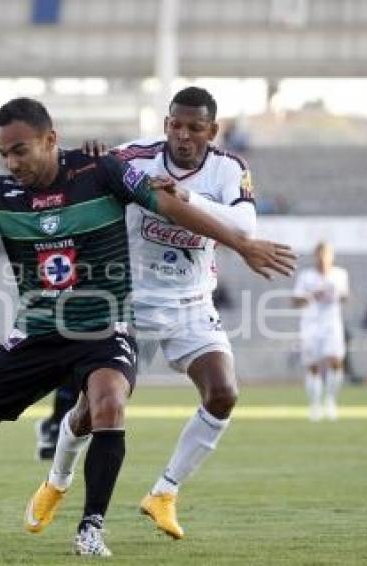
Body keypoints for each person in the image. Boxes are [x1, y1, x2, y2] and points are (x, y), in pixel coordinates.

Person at [0, 97, 294, 554]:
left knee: (110, 400)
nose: (12, 162)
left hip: (104, 325)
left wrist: (240, 244)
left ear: (50, 140)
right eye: (4, 153)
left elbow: (170, 207)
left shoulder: (101, 172)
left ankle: (91, 528)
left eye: (20, 150)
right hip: (36, 330)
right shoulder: (1, 194)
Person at [29, 86, 263, 541]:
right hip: (128, 303)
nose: (183, 135)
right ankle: (56, 482)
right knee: (90, 412)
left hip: (192, 305)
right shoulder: (134, 158)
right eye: (176, 124)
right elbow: (75, 173)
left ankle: (164, 493)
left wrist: (184, 198)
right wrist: (91, 156)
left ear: (212, 131)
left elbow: (245, 226)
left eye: (195, 128)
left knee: (223, 393)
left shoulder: (230, 169)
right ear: (166, 124)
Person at [292, 241, 350, 421]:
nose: (323, 259)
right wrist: (312, 295)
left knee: (336, 361)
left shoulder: (340, 274)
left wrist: (337, 294)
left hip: (332, 324)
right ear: (315, 256)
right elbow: (295, 301)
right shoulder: (306, 276)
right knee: (313, 366)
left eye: (326, 255)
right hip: (310, 325)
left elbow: (346, 296)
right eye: (320, 255)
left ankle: (331, 401)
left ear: (331, 257)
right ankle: (315, 405)